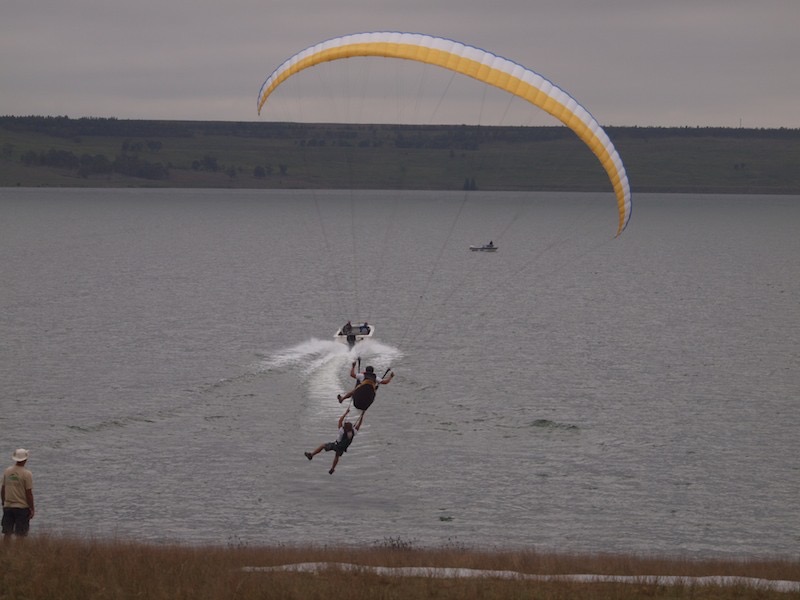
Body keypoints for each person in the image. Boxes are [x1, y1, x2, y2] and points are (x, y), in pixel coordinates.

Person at [304, 408, 364, 474]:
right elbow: (359, 425)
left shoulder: (342, 431)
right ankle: (332, 469)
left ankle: (311, 455)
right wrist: (362, 416)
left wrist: (346, 413)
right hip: (342, 448)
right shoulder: (353, 432)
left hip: (336, 445)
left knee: (323, 446)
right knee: (337, 456)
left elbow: (340, 421)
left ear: (345, 428)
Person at [2, 449, 34, 538]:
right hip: (21, 508)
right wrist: (32, 508)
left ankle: (5, 551)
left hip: (8, 506)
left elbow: (3, 489)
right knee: (21, 535)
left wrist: (3, 503)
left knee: (7, 534)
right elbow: (29, 493)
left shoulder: (7, 471)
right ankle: (19, 551)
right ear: (25, 459)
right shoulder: (27, 474)